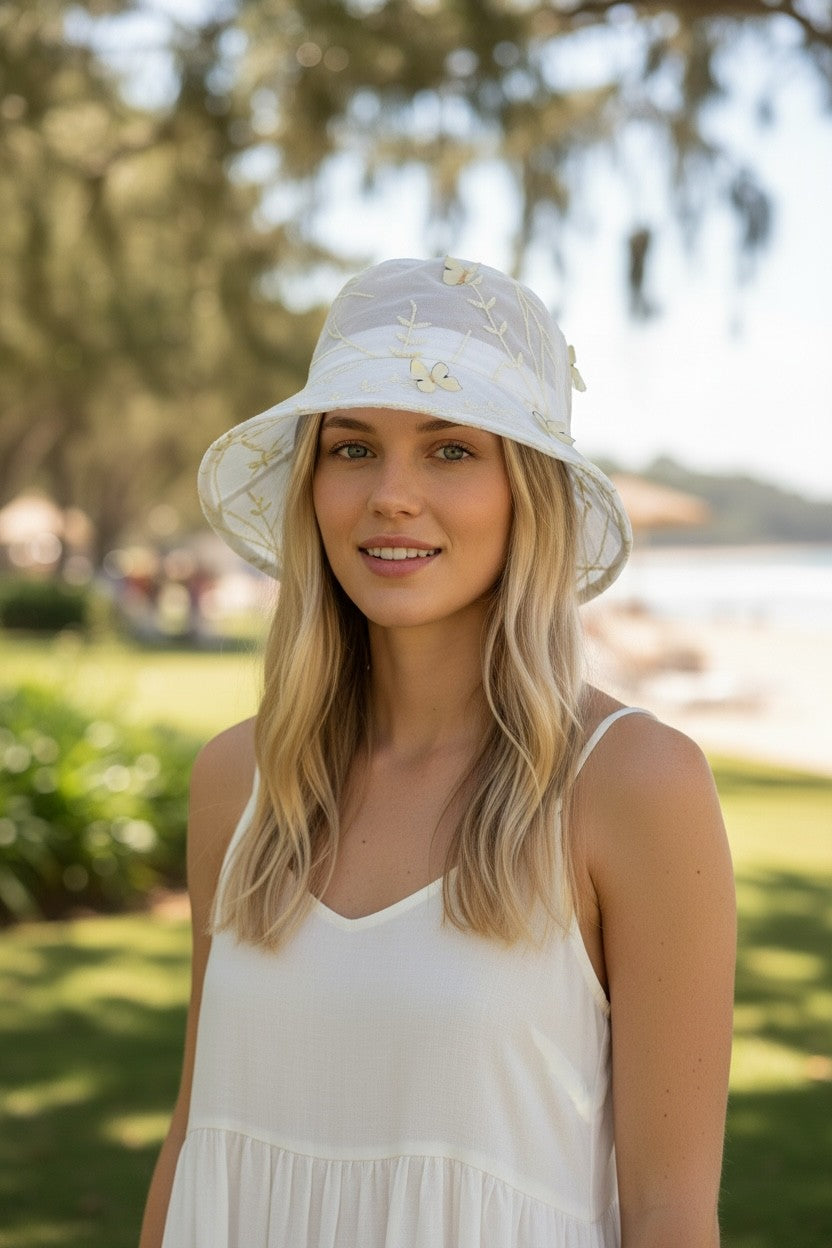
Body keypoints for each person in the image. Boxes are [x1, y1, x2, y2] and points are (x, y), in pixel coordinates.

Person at [140, 256, 736, 1248]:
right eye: (352, 447)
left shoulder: (631, 785)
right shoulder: (240, 782)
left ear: (526, 494)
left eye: (452, 450)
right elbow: (195, 1135)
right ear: (312, 483)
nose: (391, 496)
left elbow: (670, 1213)